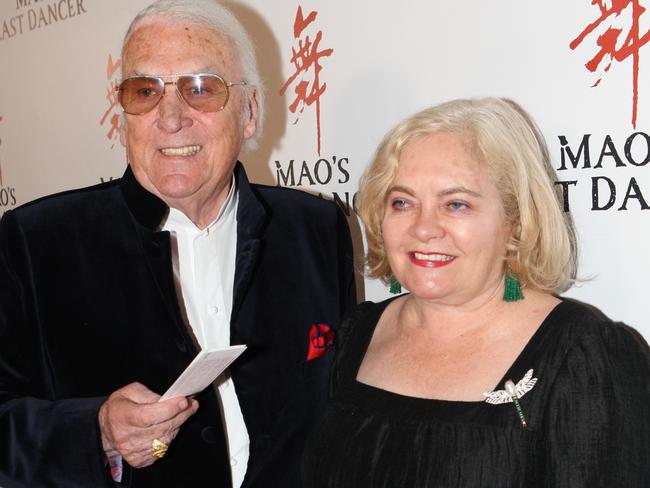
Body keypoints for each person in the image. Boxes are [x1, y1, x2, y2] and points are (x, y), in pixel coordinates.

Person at [0, 1, 355, 487]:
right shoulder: (34, 243)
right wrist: (96, 430)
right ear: (121, 113)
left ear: (248, 113)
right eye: (144, 90)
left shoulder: (313, 227)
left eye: (202, 89)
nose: (170, 118)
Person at [302, 97, 650, 487]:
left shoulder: (585, 356)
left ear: (514, 223)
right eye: (402, 202)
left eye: (456, 204)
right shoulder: (359, 331)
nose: (423, 228)